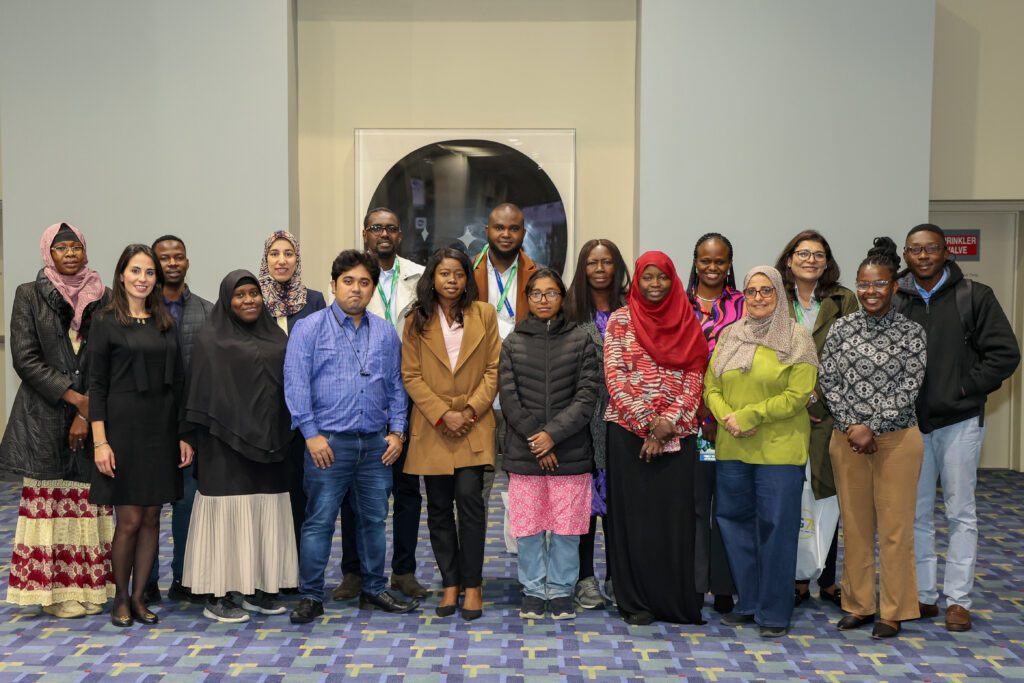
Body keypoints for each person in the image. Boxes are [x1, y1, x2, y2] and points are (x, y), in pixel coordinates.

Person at [895, 223, 1020, 632]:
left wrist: (964, 387)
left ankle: (958, 600)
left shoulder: (975, 296)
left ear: (946, 252)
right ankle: (925, 595)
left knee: (961, 511)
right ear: (906, 255)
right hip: (910, 424)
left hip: (960, 422)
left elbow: (1005, 353)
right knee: (916, 513)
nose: (924, 256)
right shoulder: (897, 298)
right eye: (915, 250)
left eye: (931, 248)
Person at [284, 250, 417, 624]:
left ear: (372, 288)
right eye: (348, 281)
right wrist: (310, 435)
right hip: (327, 444)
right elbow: (295, 386)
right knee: (319, 522)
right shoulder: (308, 328)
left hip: (376, 446)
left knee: (374, 521)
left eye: (364, 282)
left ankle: (374, 589)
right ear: (333, 284)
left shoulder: (386, 332)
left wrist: (397, 432)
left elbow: (396, 386)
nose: (356, 289)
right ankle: (311, 595)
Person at [1, 223, 113, 618]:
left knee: (86, 505)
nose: (69, 253)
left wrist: (87, 410)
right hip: (43, 418)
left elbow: (108, 360)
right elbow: (25, 358)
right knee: (51, 506)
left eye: (76, 246)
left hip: (93, 418)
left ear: (85, 250)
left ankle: (87, 588)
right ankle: (53, 595)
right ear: (48, 252)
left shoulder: (106, 296)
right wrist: (75, 398)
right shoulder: (28, 295)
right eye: (61, 247)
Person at [819, 238, 927, 639]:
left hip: (897, 440)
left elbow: (909, 387)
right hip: (847, 440)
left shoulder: (912, 333)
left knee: (896, 529)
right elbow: (828, 380)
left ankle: (894, 609)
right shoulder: (841, 328)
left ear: (894, 286)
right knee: (856, 525)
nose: (870, 292)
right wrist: (852, 425)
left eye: (879, 284)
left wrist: (872, 426)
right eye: (864, 284)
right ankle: (859, 604)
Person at [704, 265, 818, 638]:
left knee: (776, 530)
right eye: (751, 291)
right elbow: (711, 387)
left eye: (766, 291)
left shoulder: (798, 338)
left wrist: (751, 414)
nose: (757, 298)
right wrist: (727, 417)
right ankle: (748, 602)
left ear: (779, 294)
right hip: (733, 446)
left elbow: (798, 395)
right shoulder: (730, 335)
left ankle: (774, 611)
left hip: (779, 451)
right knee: (734, 526)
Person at [181, 270, 298, 623]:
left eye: (253, 293)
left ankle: (255, 588)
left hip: (272, 445)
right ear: (226, 301)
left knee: (263, 516)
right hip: (224, 447)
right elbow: (198, 394)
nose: (248, 300)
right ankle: (218, 594)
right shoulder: (211, 340)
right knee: (227, 521)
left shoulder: (276, 336)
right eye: (239, 295)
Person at [88, 244, 194, 627]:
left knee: (152, 517)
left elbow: (179, 382)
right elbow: (96, 387)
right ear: (121, 275)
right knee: (129, 519)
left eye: (149, 273)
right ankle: (119, 598)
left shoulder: (164, 322)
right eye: (136, 271)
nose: (143, 279)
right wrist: (100, 441)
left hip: (161, 429)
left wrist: (182, 434)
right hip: (122, 430)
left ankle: (138, 599)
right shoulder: (104, 321)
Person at [604, 251, 708, 626]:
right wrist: (649, 423)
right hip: (628, 433)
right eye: (647, 277)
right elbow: (615, 378)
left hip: (678, 435)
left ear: (673, 279)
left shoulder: (687, 318)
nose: (654, 284)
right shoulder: (619, 320)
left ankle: (672, 600)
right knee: (634, 521)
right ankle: (634, 600)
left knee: (673, 521)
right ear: (636, 280)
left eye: (662, 277)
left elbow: (695, 374)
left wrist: (668, 423)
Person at [403, 247, 500, 621]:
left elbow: (493, 368)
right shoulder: (417, 320)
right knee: (439, 508)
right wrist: (444, 413)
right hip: (433, 426)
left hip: (473, 423)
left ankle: (473, 585)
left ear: (467, 278)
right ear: (433, 278)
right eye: (444, 274)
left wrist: (471, 410)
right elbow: (410, 375)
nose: (452, 281)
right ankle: (451, 583)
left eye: (458, 274)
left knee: (470, 504)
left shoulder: (485, 314)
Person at [335, 208, 427, 601]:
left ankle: (403, 571)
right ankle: (354, 572)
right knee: (355, 495)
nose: (383, 234)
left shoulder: (420, 277)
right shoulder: (349, 279)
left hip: (411, 392)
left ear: (400, 234)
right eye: (376, 228)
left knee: (407, 490)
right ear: (365, 233)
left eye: (391, 228)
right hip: (363, 396)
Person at [500, 269, 599, 620]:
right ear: (527, 299)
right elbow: (508, 397)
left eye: (551, 293)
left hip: (570, 452)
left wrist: (553, 436)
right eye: (537, 294)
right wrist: (536, 439)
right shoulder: (512, 342)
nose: (544, 300)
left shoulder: (581, 339)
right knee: (527, 529)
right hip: (525, 452)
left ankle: (559, 590)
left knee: (566, 529)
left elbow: (587, 396)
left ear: (562, 297)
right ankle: (531, 589)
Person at [774, 230, 856, 609]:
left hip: (829, 413)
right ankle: (794, 577)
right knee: (789, 493)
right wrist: (793, 397)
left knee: (826, 492)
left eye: (818, 254)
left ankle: (826, 577)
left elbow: (852, 355)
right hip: (782, 412)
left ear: (827, 261)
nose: (810, 260)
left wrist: (819, 396)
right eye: (803, 253)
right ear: (789, 258)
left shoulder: (843, 300)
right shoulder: (771, 296)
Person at [144, 235, 213, 605]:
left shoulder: (208, 310)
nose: (172, 263)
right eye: (164, 258)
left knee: (187, 506)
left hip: (191, 427)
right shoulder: (137, 311)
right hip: (148, 427)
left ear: (187, 262)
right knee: (148, 506)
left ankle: (185, 579)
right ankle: (148, 580)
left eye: (178, 257)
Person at [563, 239, 630, 610]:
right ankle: (584, 577)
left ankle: (618, 576)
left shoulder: (631, 307)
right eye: (592, 263)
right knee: (584, 503)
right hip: (582, 419)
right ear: (583, 268)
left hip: (624, 417)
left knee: (622, 503)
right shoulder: (571, 309)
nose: (600, 269)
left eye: (607, 262)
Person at [258, 230, 326, 571]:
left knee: (301, 493)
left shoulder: (313, 301)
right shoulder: (251, 299)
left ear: (298, 260)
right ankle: (270, 568)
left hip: (303, 413)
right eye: (274, 253)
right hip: (264, 411)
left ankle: (298, 569)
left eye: (289, 254)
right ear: (265, 259)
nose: (282, 260)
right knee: (269, 493)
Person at [686, 232, 743, 614]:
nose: (711, 267)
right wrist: (699, 414)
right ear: (694, 261)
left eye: (719, 261)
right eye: (704, 260)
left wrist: (718, 415)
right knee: (692, 506)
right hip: (687, 423)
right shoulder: (677, 304)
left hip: (732, 422)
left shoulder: (745, 305)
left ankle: (724, 585)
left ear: (729, 264)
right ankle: (693, 582)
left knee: (728, 506)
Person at [472, 203, 539, 513]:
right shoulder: (467, 273)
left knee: (523, 479)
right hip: (478, 391)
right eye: (499, 227)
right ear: (487, 231)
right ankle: (470, 557)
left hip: (522, 392)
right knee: (477, 482)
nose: (506, 234)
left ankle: (522, 554)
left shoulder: (537, 276)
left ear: (523, 233)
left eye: (514, 228)